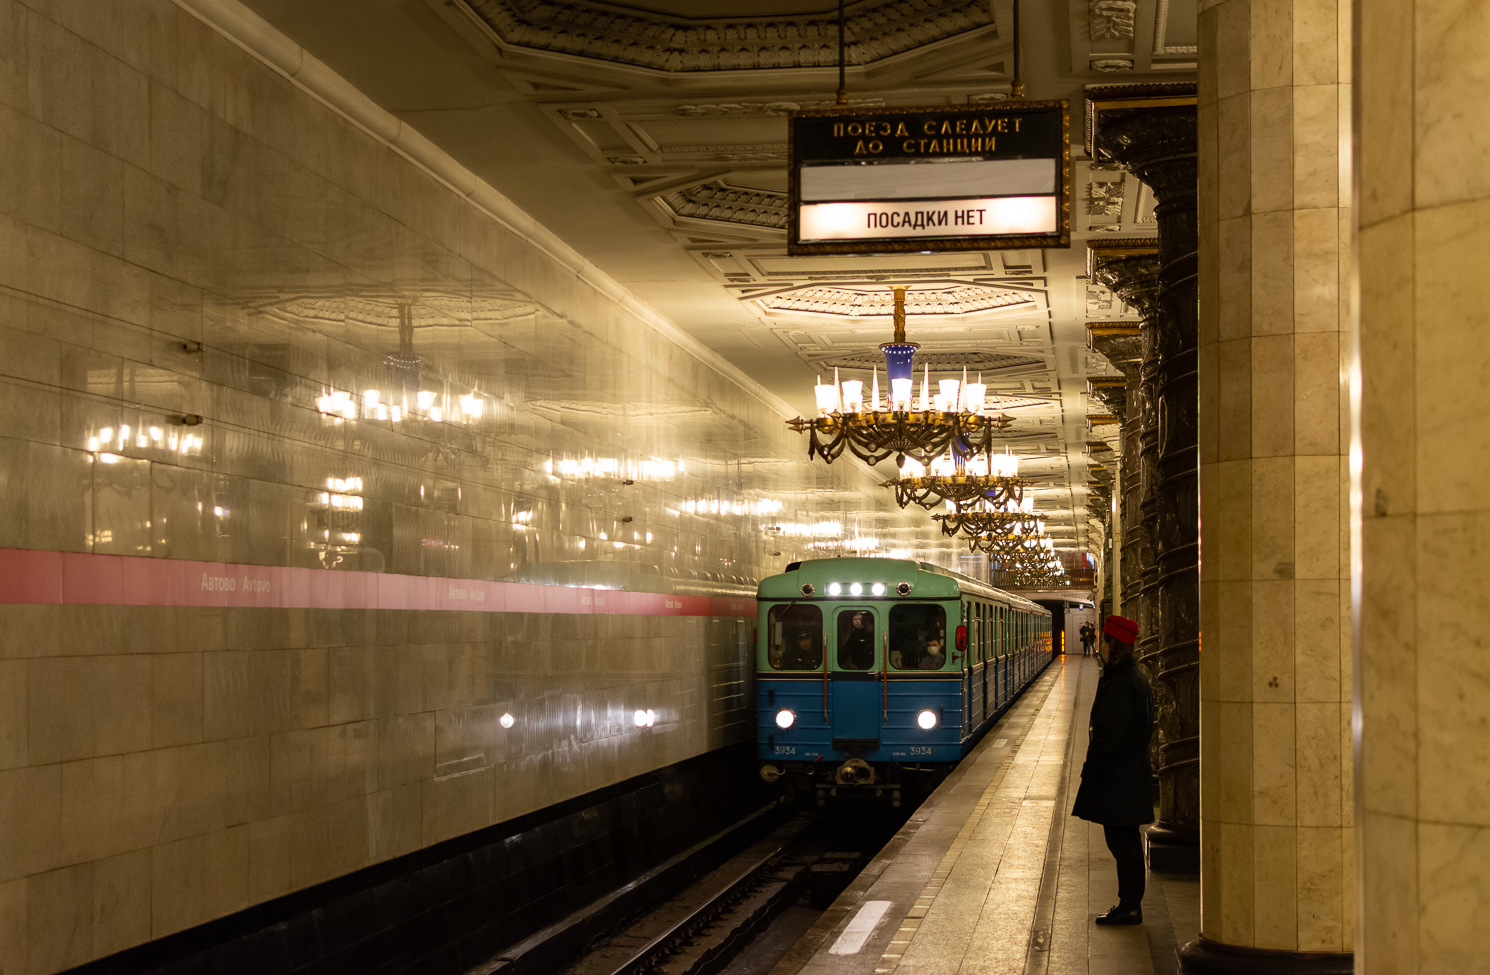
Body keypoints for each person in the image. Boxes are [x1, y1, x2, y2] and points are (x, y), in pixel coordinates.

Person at [1070, 614, 1154, 925]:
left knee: (1122, 842)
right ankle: (1131, 903)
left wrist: (1091, 773)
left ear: (1112, 644)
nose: (1102, 646)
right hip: (1129, 773)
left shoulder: (1123, 682)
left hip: (1120, 777)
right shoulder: (1134, 678)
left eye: (1105, 640)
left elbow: (1108, 736)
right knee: (1127, 839)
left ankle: (1129, 905)